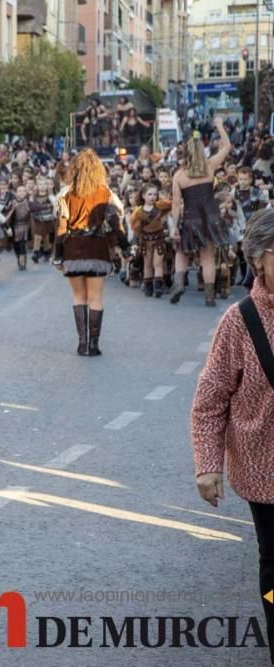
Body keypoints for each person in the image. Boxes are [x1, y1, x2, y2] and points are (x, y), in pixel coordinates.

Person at [191, 209, 274, 664]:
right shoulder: (239, 322)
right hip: (265, 468)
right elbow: (210, 399)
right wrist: (208, 465)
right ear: (259, 260)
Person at [53, 148, 128, 356]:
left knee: (79, 296)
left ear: (75, 170)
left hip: (73, 250)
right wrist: (126, 248)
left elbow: (61, 228)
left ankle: (82, 343)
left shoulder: (65, 194)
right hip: (97, 249)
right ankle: (93, 345)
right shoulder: (105, 193)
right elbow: (116, 223)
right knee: (96, 298)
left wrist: (57, 255)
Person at [170, 117, 232, 307]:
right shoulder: (210, 165)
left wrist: (174, 227)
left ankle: (179, 284)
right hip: (211, 216)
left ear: (185, 153)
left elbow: (175, 204)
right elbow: (227, 147)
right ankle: (209, 296)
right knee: (207, 256)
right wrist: (220, 126)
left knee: (182, 252)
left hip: (191, 218)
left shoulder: (179, 176)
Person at [130, 183, 172, 298]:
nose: (152, 196)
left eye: (155, 194)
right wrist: (134, 243)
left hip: (159, 240)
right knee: (147, 264)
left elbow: (172, 205)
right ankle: (148, 287)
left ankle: (158, 287)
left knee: (157, 263)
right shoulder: (138, 212)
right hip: (145, 241)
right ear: (143, 195)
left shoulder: (160, 206)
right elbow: (136, 229)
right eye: (149, 194)